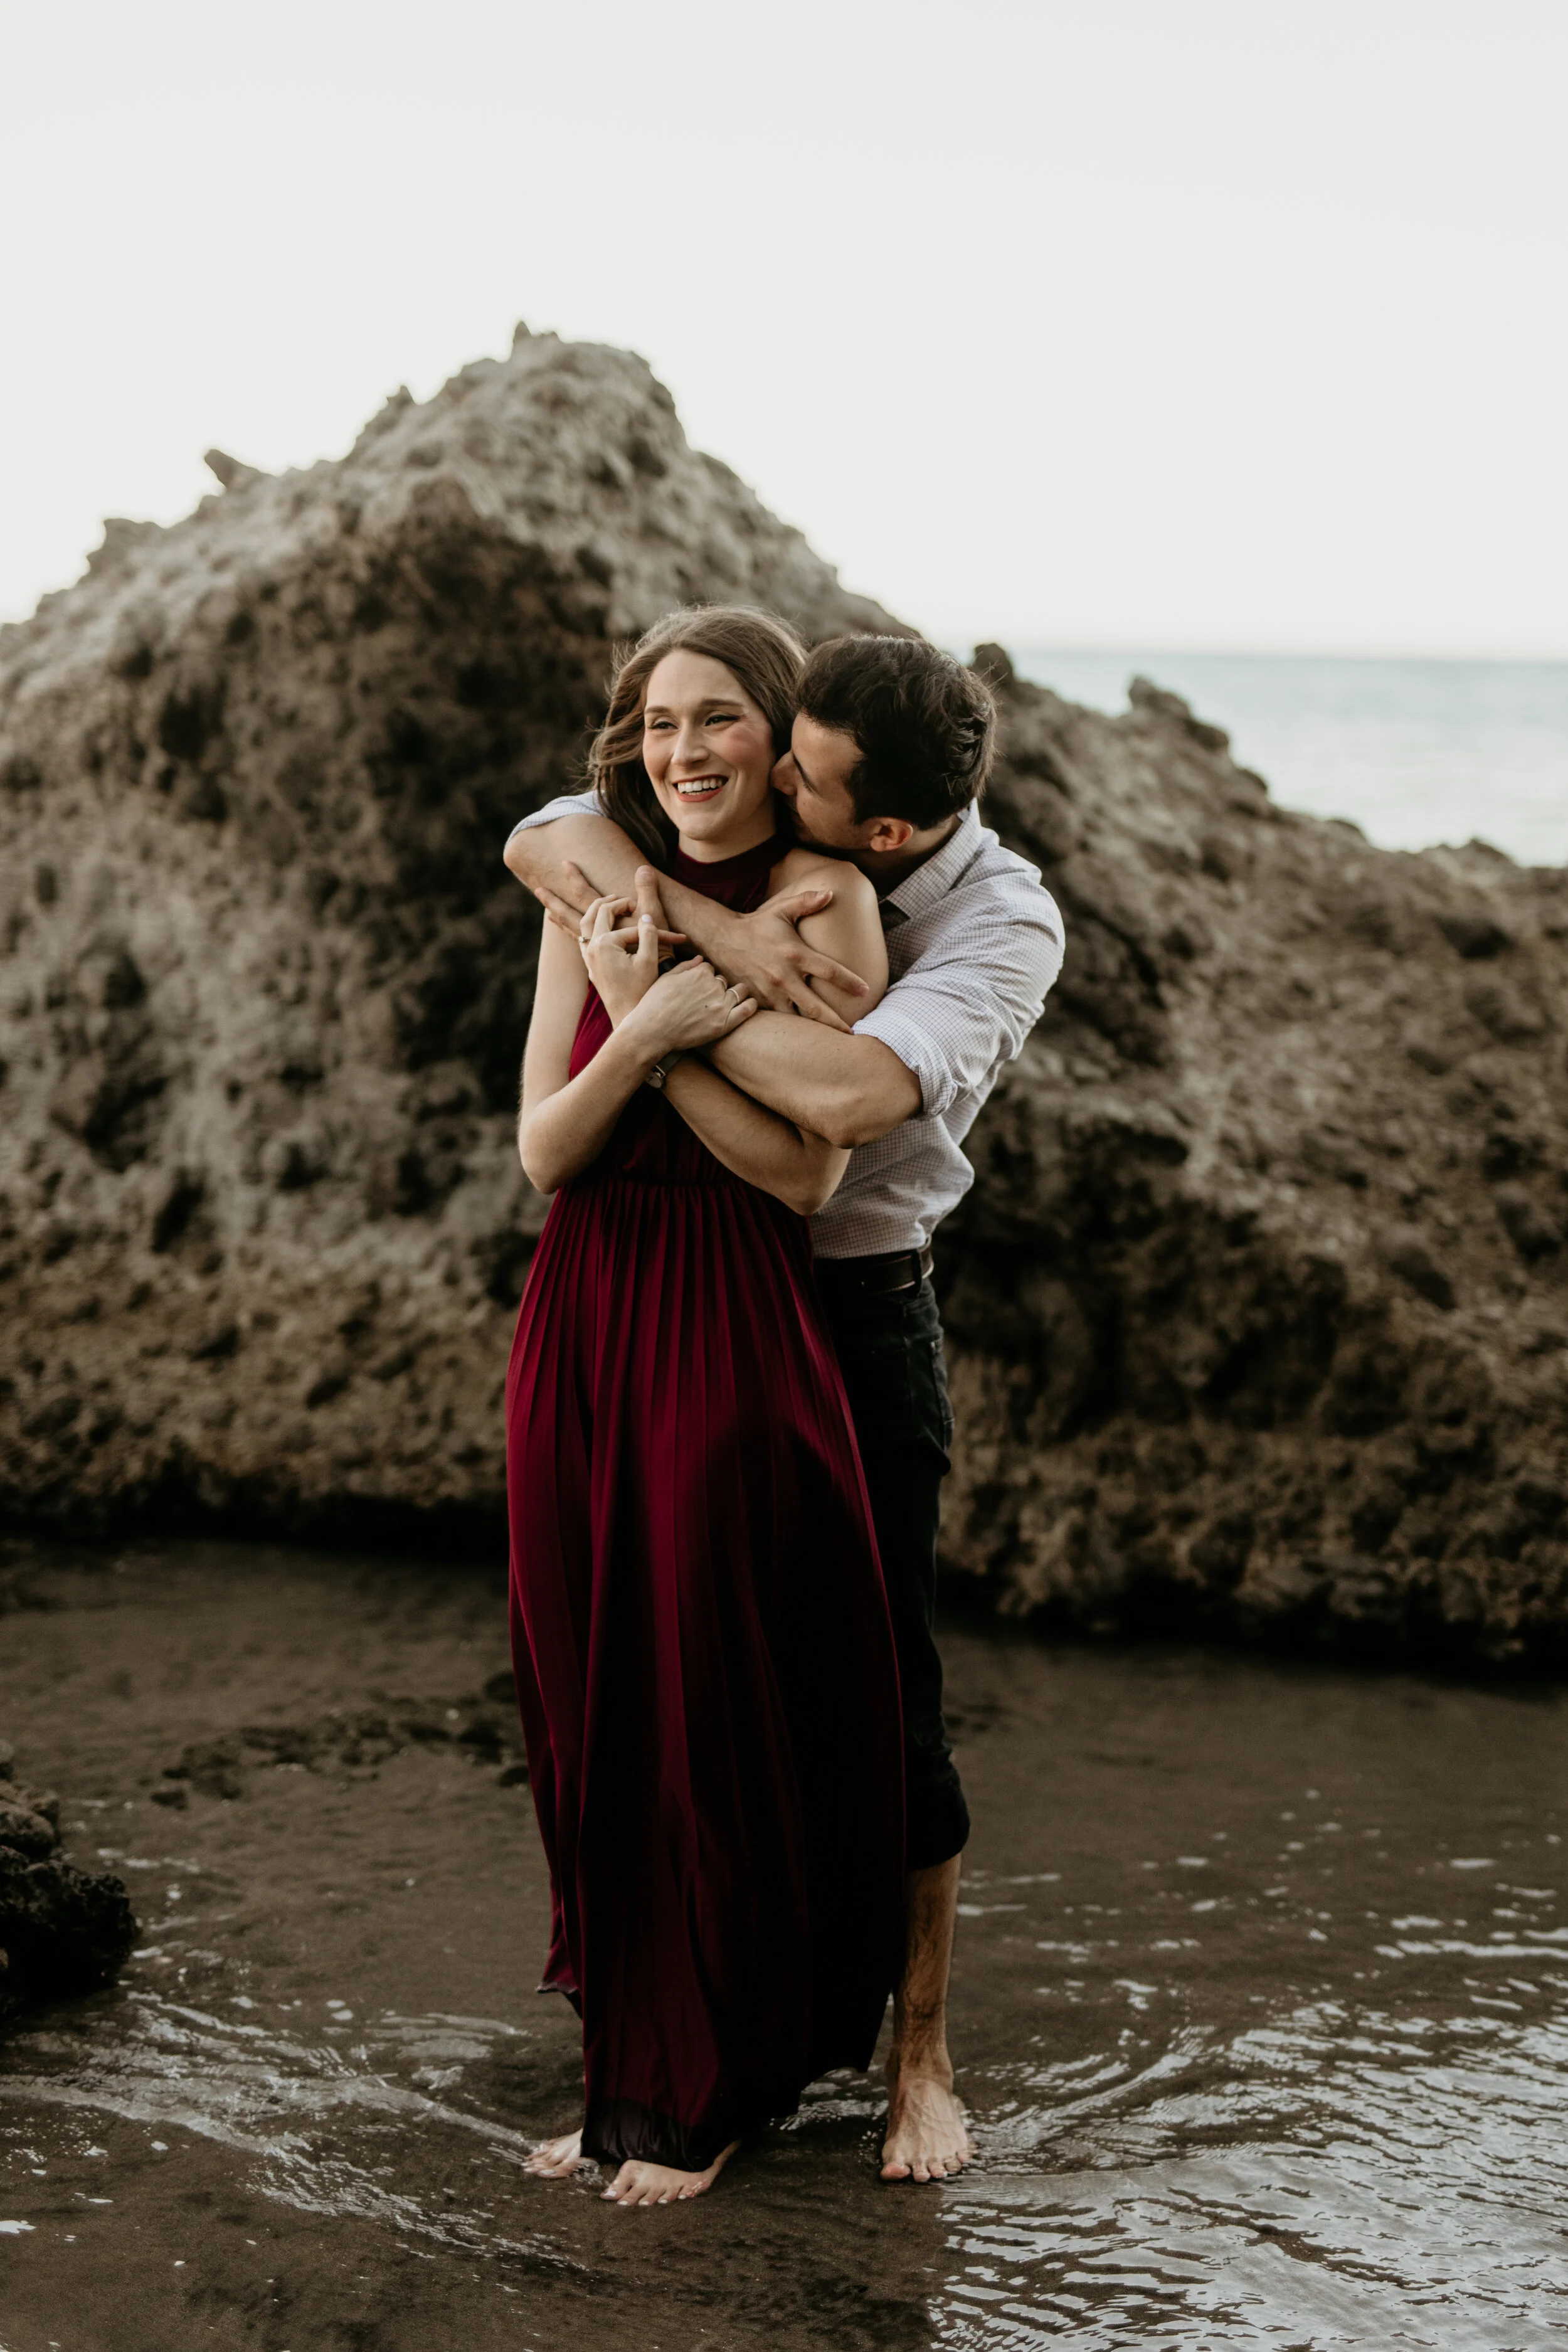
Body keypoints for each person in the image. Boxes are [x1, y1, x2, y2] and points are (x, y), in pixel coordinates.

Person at [506, 618, 1066, 2185]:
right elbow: (538, 834)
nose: (722, 765)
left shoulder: (980, 922)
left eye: (780, 759)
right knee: (618, 1684)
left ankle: (916, 2059)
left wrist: (674, 1003)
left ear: (871, 821)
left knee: (879, 1704)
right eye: (669, 728)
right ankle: (659, 2050)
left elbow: (834, 1116)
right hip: (625, 1300)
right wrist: (690, 918)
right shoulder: (637, 860)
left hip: (851, 1299)